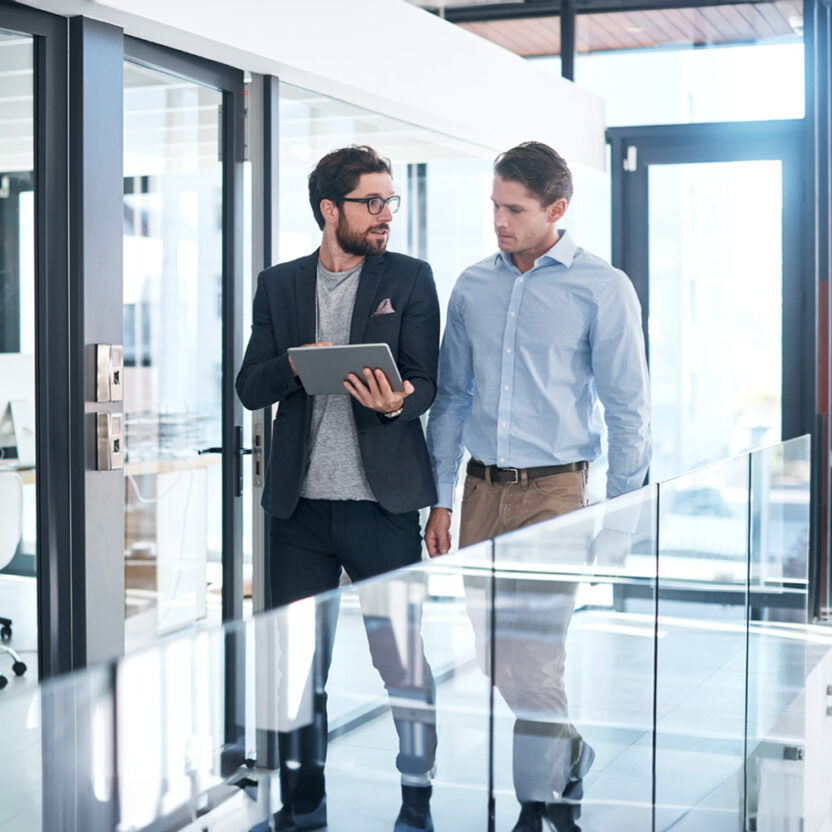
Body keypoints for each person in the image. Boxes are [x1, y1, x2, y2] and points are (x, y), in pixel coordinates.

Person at [425, 141, 651, 832]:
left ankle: (538, 805)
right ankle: (569, 748)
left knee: (538, 654)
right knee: (495, 655)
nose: (499, 220)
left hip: (557, 494)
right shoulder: (472, 284)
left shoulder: (602, 288)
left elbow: (627, 409)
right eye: (494, 205)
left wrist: (620, 519)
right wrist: (440, 497)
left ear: (557, 209)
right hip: (481, 492)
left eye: (514, 209)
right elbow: (452, 397)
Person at [236, 145, 440, 832]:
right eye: (372, 203)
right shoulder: (279, 285)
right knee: (297, 670)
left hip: (383, 508)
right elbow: (248, 386)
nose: (386, 215)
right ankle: (302, 803)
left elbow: (426, 381)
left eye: (391, 202)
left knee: (402, 662)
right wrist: (298, 368)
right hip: (298, 510)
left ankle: (417, 798)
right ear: (332, 210)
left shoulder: (410, 279)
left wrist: (395, 403)